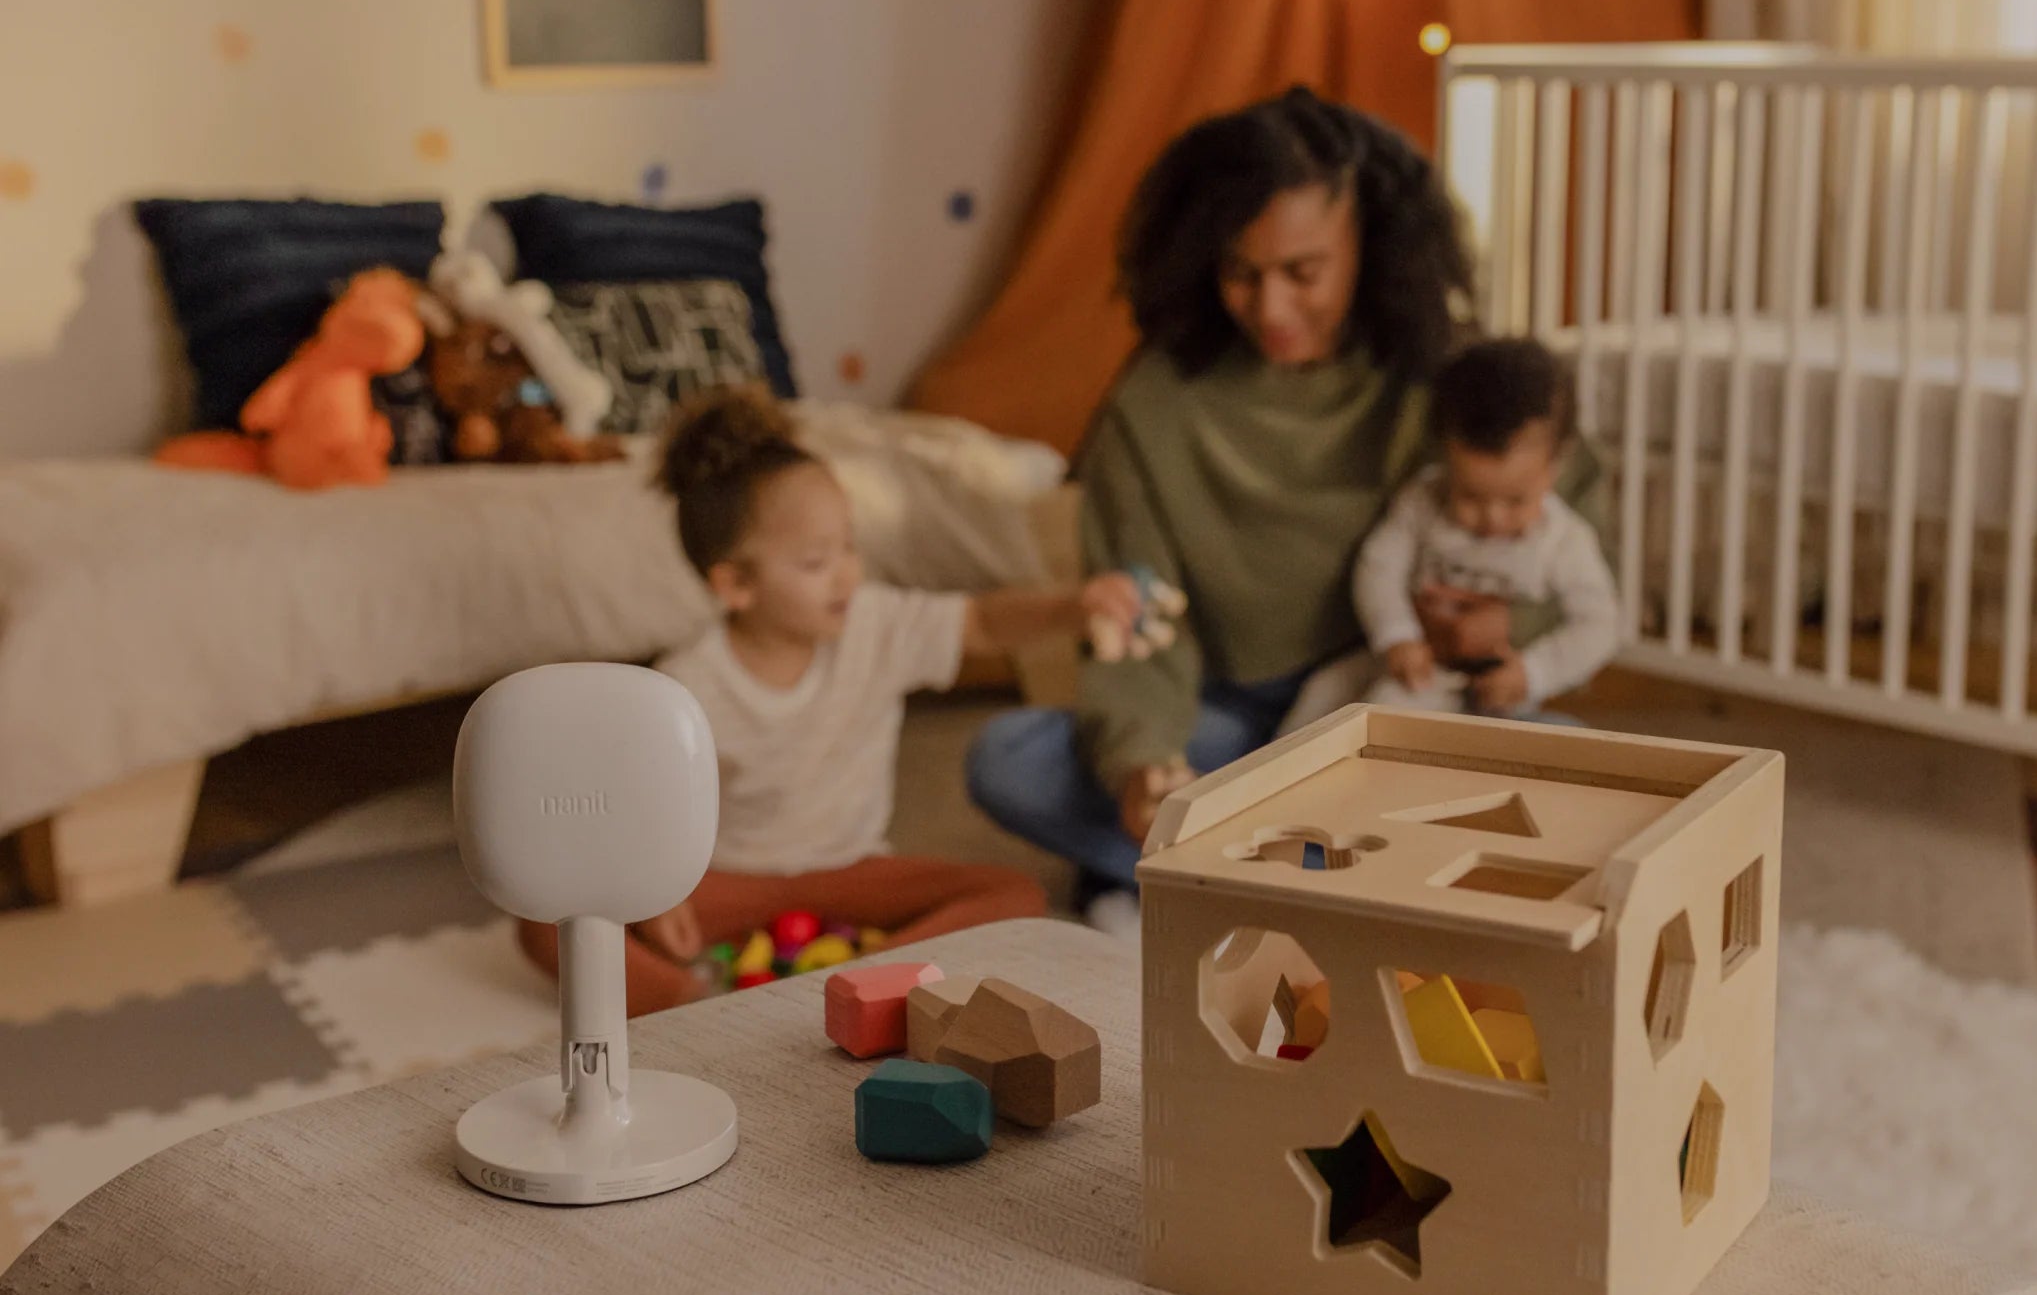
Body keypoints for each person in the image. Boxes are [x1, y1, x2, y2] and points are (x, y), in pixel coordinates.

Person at [964, 86, 1473, 930]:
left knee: (1566, 751)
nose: (1269, 310)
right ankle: (1310, 883)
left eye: (1302, 273)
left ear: (1372, 244)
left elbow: (1552, 540)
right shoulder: (1156, 403)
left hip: (1384, 707)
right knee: (1008, 758)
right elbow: (1140, 623)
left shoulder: (1438, 376)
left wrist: (1493, 634)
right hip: (1223, 719)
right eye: (1241, 272)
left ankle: (1206, 878)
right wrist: (1145, 766)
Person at [516, 384, 1138, 1015]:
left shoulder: (875, 624)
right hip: (729, 889)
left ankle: (852, 984)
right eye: (816, 562)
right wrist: (658, 892)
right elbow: (625, 808)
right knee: (546, 921)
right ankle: (700, 1005)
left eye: (849, 546)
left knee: (1016, 899)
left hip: (852, 878)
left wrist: (1071, 608)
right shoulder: (687, 686)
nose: (847, 574)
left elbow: (980, 623)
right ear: (736, 585)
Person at [1354, 339, 1618, 717]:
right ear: (1445, 456)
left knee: (1550, 740)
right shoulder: (1422, 502)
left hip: (1505, 691)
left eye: (1516, 501)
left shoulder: (1564, 539)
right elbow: (1378, 566)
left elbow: (1601, 624)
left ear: (1555, 467)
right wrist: (1396, 635)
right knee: (1358, 708)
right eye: (1471, 497)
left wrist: (1533, 673)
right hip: (1424, 674)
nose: (1493, 519)